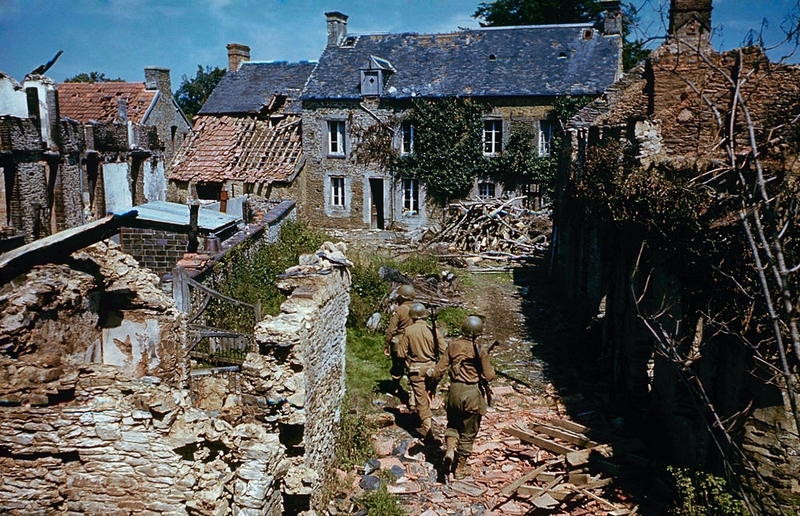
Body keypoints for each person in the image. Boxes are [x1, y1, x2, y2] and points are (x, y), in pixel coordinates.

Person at [430, 315, 496, 480]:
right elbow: (489, 375)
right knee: (468, 431)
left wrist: (431, 386)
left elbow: (439, 370)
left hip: (454, 391)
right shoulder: (480, 350)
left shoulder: (453, 345)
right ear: (478, 332)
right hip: (472, 394)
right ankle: (460, 468)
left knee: (453, 424)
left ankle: (450, 449)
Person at [398, 302, 445, 440]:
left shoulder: (408, 331)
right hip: (432, 369)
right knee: (428, 394)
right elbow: (445, 350)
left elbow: (401, 354)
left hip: (415, 370)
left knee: (421, 401)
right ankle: (428, 418)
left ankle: (428, 430)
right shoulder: (432, 330)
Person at [384, 284, 416, 406]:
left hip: (400, 341)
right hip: (413, 341)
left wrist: (386, 344)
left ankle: (396, 387)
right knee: (412, 369)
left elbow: (391, 329)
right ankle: (413, 397)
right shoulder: (418, 309)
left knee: (397, 366)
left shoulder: (399, 310)